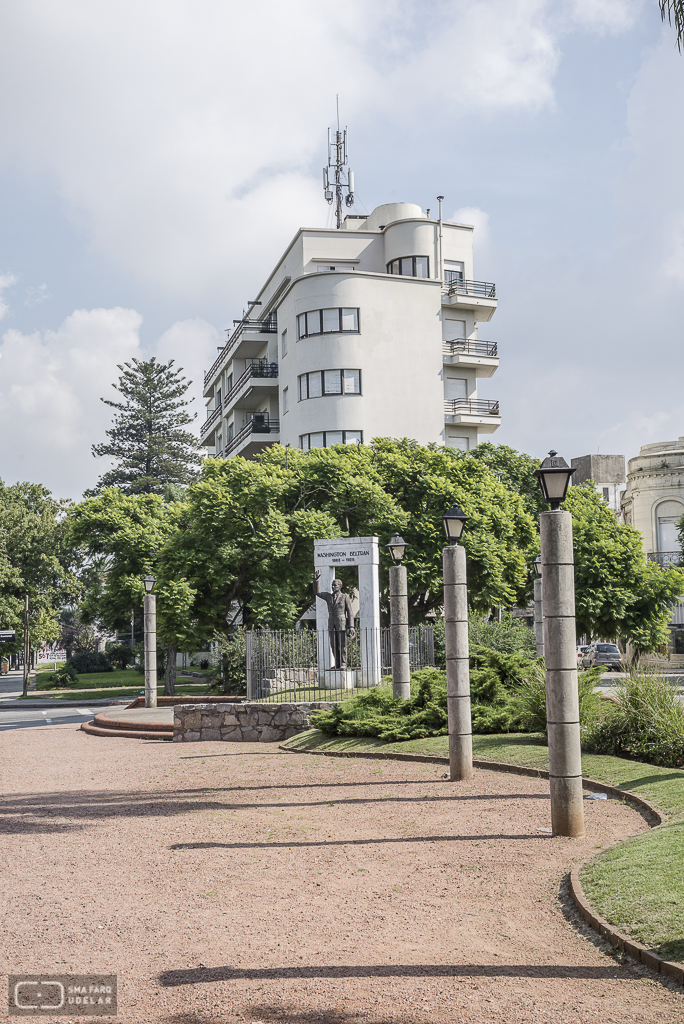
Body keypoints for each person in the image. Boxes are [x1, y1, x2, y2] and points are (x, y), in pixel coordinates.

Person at [313, 571, 356, 669]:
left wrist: (351, 626)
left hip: (341, 623)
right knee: (333, 644)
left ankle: (343, 663)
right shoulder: (328, 596)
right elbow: (317, 592)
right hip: (332, 623)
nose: (333, 587)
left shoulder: (345, 597)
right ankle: (337, 663)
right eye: (332, 585)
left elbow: (350, 612)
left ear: (340, 586)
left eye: (335, 585)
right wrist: (316, 581)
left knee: (342, 644)